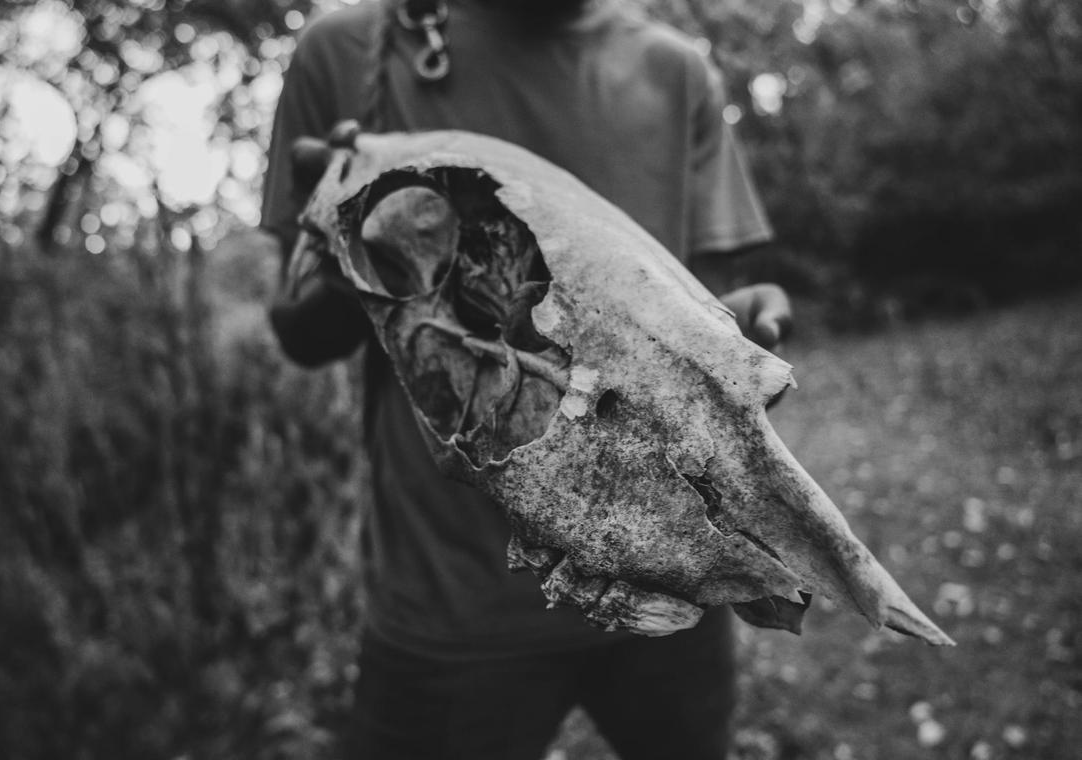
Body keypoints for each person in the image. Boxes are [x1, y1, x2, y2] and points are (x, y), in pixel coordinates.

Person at [260, 1, 793, 758]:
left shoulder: (673, 71)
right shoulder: (350, 53)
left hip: (667, 570)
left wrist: (733, 333)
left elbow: (690, 302)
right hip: (453, 605)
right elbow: (299, 331)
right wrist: (358, 237)